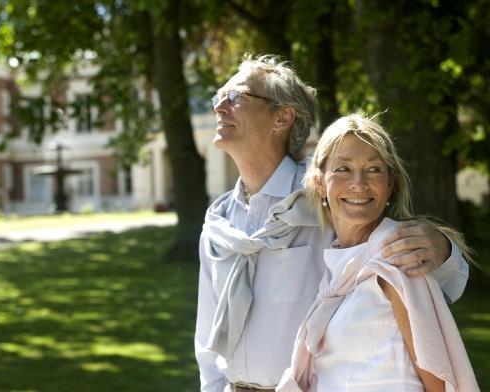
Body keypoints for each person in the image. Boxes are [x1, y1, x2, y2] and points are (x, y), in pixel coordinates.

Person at [195, 55, 469, 392]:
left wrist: (443, 250)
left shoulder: (332, 199)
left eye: (235, 97)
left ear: (282, 117)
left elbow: (401, 273)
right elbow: (206, 334)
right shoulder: (219, 222)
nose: (220, 108)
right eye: (217, 97)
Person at [277, 113, 478, 391]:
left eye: (373, 169)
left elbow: (439, 384)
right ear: (320, 182)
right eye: (343, 169)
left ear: (390, 183)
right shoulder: (338, 265)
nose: (358, 183)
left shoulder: (397, 260)